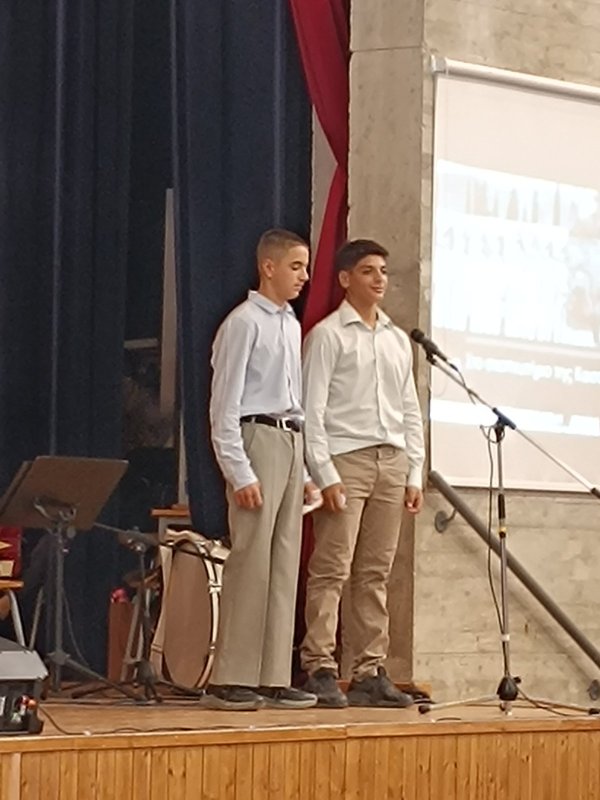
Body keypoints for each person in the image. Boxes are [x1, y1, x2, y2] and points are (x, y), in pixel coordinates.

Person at [300, 239, 425, 708]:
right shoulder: (328, 336)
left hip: (391, 461)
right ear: (345, 278)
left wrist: (415, 471)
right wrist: (325, 473)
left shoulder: (396, 339)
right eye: (369, 270)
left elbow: (409, 409)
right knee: (333, 567)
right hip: (346, 460)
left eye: (384, 271)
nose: (379, 279)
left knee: (375, 571)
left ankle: (369, 669)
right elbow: (312, 411)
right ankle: (320, 665)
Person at [203, 229, 319, 711]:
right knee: (251, 558)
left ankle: (272, 674)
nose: (304, 276)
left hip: (290, 440)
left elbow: (295, 402)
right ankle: (232, 673)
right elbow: (224, 405)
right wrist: (239, 470)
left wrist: (306, 470)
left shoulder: (290, 323)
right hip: (257, 439)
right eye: (295, 266)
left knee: (284, 560)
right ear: (268, 267)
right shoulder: (243, 323)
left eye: (306, 267)